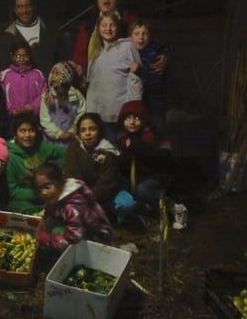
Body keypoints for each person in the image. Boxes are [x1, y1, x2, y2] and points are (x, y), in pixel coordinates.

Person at [116, 100, 188, 230]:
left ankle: (176, 209)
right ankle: (147, 215)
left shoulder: (153, 134)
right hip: (135, 177)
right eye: (128, 118)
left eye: (136, 118)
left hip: (155, 175)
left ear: (143, 119)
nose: (132, 122)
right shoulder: (122, 139)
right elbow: (122, 163)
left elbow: (165, 155)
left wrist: (141, 147)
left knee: (143, 190)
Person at [86, 12, 143, 142]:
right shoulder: (95, 52)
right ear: (98, 28)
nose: (108, 28)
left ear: (117, 27)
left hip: (120, 114)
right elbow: (92, 85)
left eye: (112, 25)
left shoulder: (127, 46)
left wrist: (133, 109)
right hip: (98, 114)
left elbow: (136, 80)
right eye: (104, 25)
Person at [34, 162, 112, 251]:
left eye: (47, 187)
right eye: (40, 189)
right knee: (48, 222)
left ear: (59, 182)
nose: (43, 192)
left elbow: (74, 237)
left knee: (56, 231)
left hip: (96, 237)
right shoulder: (55, 196)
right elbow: (49, 211)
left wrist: (46, 239)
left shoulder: (71, 207)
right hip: (79, 228)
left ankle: (60, 253)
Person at [69, 0, 137, 74]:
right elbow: (79, 58)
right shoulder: (88, 27)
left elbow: (144, 42)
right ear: (97, 0)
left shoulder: (128, 20)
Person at [6, 113, 66, 214]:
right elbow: (13, 192)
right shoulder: (9, 156)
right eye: (22, 131)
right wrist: (38, 193)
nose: (27, 135)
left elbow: (66, 152)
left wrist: (55, 173)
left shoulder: (40, 147)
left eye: (31, 130)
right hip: (23, 200)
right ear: (15, 135)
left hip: (47, 193)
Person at [63, 113, 120, 213]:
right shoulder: (74, 147)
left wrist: (85, 197)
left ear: (100, 131)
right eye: (83, 130)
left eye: (92, 129)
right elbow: (69, 174)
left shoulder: (108, 152)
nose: (87, 133)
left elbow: (105, 186)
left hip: (99, 199)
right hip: (76, 196)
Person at [0, 0, 58, 76]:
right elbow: (4, 71)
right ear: (15, 10)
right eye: (20, 7)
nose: (24, 11)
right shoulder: (7, 37)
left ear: (33, 6)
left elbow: (62, 61)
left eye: (27, 5)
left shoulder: (50, 31)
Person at [129, 18, 171, 132]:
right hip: (135, 104)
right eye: (136, 34)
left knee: (157, 133)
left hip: (155, 105)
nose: (141, 37)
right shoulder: (127, 52)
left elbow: (154, 81)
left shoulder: (154, 53)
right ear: (130, 36)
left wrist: (139, 71)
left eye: (144, 34)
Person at [39, 61, 85, 144]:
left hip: (71, 139)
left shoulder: (76, 95)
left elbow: (81, 113)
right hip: (52, 140)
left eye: (57, 73)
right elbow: (44, 119)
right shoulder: (46, 97)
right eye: (52, 72)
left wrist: (72, 130)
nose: (53, 76)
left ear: (66, 76)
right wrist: (58, 134)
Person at [0, 39, 47, 118]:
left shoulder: (38, 75)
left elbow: (44, 94)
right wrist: (10, 109)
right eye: (18, 56)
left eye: (25, 56)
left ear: (29, 56)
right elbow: (2, 96)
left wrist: (33, 106)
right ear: (12, 57)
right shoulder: (5, 76)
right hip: (13, 118)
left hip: (33, 118)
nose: (22, 59)